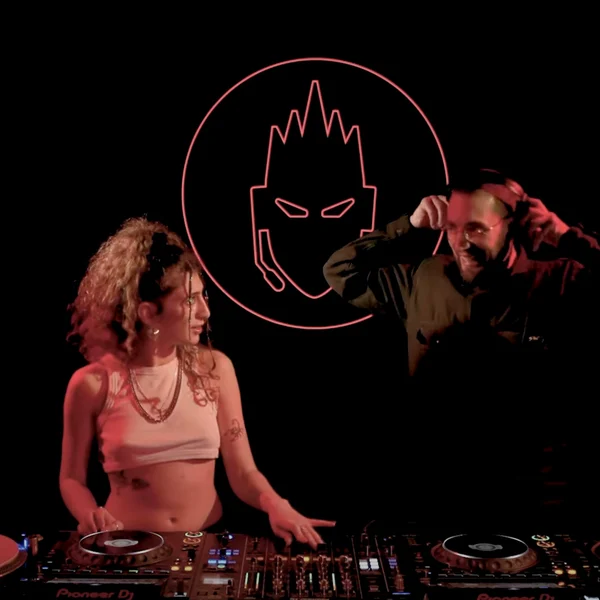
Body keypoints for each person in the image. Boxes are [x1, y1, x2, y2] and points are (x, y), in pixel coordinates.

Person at [323, 168, 599, 523]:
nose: (462, 242)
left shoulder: (560, 281)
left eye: (477, 228)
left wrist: (568, 238)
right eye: (452, 227)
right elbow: (340, 270)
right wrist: (407, 226)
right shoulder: (423, 278)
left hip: (530, 499)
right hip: (435, 493)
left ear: (513, 226)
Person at [60, 217, 335, 549]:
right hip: (126, 547)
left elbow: (244, 473)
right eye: (190, 300)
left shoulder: (215, 369)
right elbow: (71, 479)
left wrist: (276, 504)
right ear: (147, 312)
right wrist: (89, 514)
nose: (205, 312)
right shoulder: (92, 383)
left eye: (203, 295)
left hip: (204, 545)